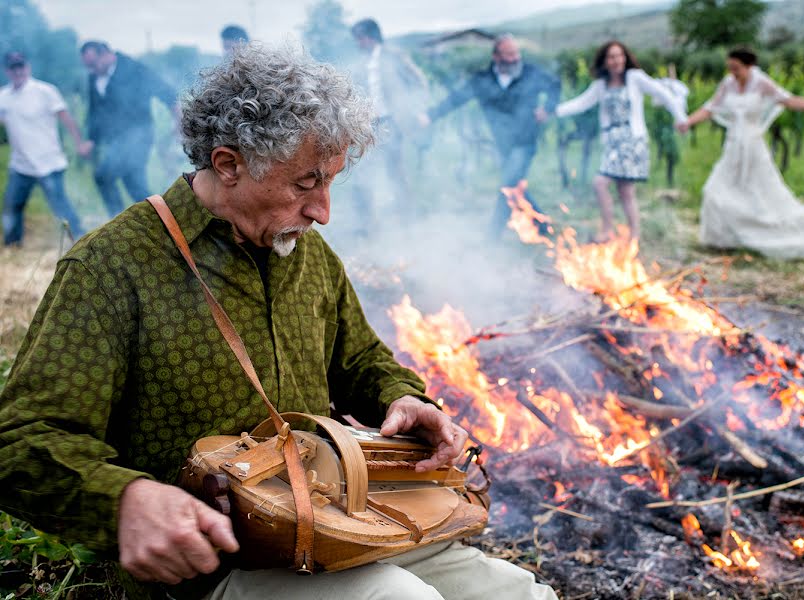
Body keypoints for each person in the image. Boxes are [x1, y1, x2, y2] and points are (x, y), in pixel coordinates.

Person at [0, 43, 557, 600]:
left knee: (520, 593)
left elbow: (360, 360)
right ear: (228, 165)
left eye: (331, 182)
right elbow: (22, 442)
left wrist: (402, 398)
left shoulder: (309, 254)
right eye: (305, 184)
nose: (323, 211)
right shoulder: (112, 266)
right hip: (213, 564)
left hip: (333, 525)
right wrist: (126, 500)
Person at [678, 48, 804, 259]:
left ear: (749, 66)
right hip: (733, 147)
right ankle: (724, 239)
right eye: (729, 68)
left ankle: (768, 233)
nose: (732, 72)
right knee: (714, 190)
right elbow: (710, 108)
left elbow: (789, 100)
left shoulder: (761, 82)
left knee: (761, 195)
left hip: (754, 147)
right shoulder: (727, 84)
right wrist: (689, 121)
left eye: (736, 68)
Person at [540, 41, 687, 242]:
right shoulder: (601, 85)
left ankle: (613, 231)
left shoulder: (635, 78)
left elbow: (663, 93)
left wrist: (681, 118)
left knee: (602, 184)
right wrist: (553, 111)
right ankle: (628, 234)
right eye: (611, 57)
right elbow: (581, 103)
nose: (616, 60)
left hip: (632, 141)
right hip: (612, 142)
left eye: (619, 56)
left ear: (625, 58)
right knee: (624, 191)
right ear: (605, 61)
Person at [421, 34, 560, 238]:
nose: (515, 58)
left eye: (516, 53)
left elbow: (554, 85)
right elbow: (456, 99)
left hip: (525, 141)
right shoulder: (482, 80)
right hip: (503, 144)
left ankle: (492, 238)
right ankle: (542, 226)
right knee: (514, 185)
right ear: (496, 56)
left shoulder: (531, 73)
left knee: (508, 184)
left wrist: (547, 108)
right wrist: (430, 115)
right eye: (509, 54)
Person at [79, 40, 180, 217]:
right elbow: (95, 111)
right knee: (135, 185)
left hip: (138, 136)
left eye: (93, 64)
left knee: (103, 176)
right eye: (88, 67)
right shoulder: (94, 76)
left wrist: (178, 122)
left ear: (106, 54)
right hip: (114, 139)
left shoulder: (134, 69)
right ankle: (159, 222)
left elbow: (168, 93)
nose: (92, 70)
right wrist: (91, 140)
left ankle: (118, 222)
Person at [0, 51, 88, 245]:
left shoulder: (45, 91)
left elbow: (67, 119)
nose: (18, 71)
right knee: (12, 206)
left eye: (21, 66)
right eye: (13, 68)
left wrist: (79, 143)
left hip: (48, 161)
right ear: (7, 71)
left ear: (28, 67)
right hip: (20, 164)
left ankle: (80, 239)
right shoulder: (3, 97)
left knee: (61, 207)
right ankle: (12, 245)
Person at [349, 18, 429, 231]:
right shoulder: (361, 62)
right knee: (363, 173)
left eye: (360, 38)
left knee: (396, 172)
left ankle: (407, 220)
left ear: (370, 37)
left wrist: (417, 109)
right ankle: (367, 224)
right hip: (369, 126)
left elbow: (419, 82)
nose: (358, 43)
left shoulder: (393, 57)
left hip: (392, 123)